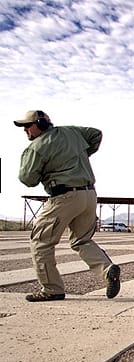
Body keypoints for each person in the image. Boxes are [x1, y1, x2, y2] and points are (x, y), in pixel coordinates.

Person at [13, 110, 121, 302]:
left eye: (27, 125)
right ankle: (107, 270)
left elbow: (27, 179)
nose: (25, 130)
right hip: (88, 195)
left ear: (40, 124)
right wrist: (80, 155)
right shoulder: (71, 132)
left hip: (64, 196)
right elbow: (96, 134)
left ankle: (52, 289)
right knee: (82, 241)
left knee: (41, 242)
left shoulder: (36, 148)